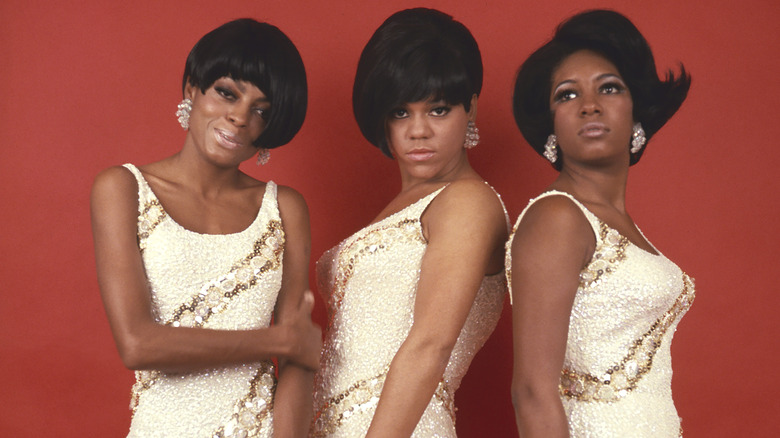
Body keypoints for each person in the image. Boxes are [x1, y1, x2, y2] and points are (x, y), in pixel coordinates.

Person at [90, 19, 321, 438]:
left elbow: (298, 362)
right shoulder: (123, 189)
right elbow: (139, 345)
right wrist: (278, 341)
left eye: (261, 110)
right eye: (227, 93)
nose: (238, 118)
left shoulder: (284, 208)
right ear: (192, 89)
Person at [311, 8, 508, 437]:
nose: (418, 131)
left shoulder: (468, 201)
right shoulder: (409, 204)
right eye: (401, 112)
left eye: (438, 110)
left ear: (470, 107)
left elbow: (429, 347)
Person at [507, 9, 694, 437]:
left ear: (636, 112)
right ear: (551, 125)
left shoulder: (615, 222)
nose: (590, 105)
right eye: (567, 95)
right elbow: (533, 390)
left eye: (609, 88)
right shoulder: (557, 217)